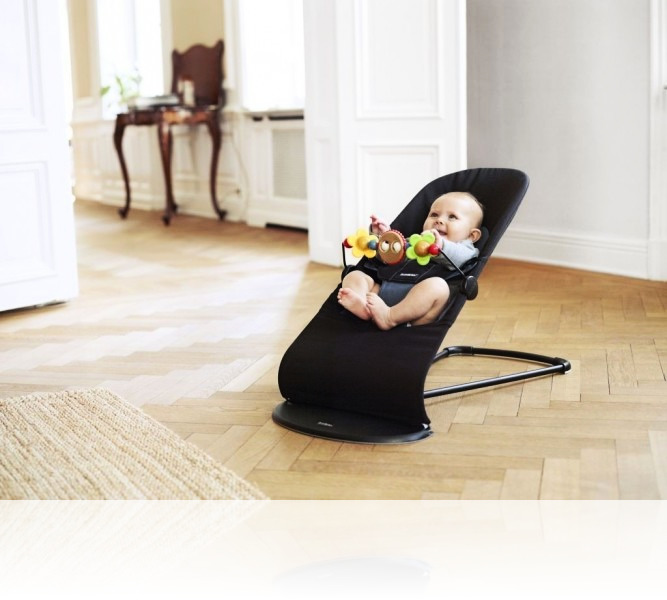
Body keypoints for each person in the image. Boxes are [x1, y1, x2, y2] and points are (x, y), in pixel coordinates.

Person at [337, 191, 484, 330]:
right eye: (434, 214)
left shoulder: (466, 249)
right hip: (382, 293)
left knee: (438, 287)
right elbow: (387, 259)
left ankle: (389, 317)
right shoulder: (414, 242)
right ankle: (363, 307)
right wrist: (384, 240)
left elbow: (459, 257)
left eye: (452, 217)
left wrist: (441, 246)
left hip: (416, 310)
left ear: (472, 236)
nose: (439, 220)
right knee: (355, 275)